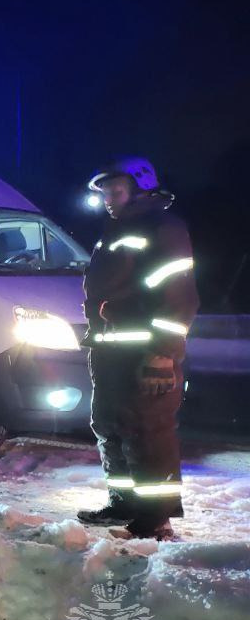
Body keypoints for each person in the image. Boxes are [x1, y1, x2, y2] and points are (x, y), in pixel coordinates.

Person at [76, 157, 199, 541]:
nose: (108, 199)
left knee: (148, 433)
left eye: (115, 190)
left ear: (139, 188)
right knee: (110, 427)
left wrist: (162, 354)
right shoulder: (116, 230)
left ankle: (154, 519)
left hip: (145, 355)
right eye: (104, 193)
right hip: (112, 354)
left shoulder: (163, 228)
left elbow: (178, 298)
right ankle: (124, 502)